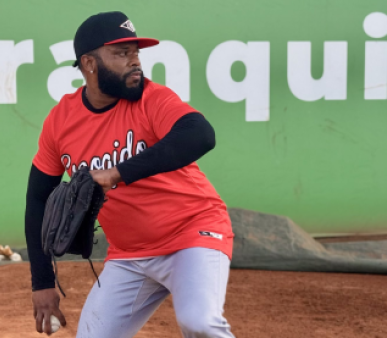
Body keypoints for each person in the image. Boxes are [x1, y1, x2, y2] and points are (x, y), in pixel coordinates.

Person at [25, 11, 235, 338]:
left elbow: (200, 134)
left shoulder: (152, 98)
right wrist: (42, 282)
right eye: (122, 54)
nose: (135, 62)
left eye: (136, 52)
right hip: (129, 255)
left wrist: (118, 173)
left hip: (192, 235)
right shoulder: (60, 120)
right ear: (89, 64)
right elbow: (38, 197)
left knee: (201, 323)